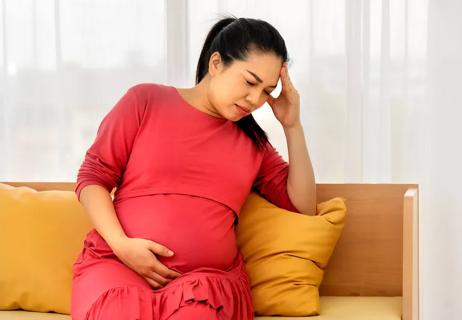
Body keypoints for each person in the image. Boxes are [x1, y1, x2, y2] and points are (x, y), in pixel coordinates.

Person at [71, 15, 314, 320]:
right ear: (216, 64)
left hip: (205, 286)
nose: (255, 99)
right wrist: (122, 246)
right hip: (119, 266)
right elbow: (93, 177)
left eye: (267, 91)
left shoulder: (253, 144)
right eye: (250, 82)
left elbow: (303, 205)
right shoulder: (145, 101)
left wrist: (292, 126)